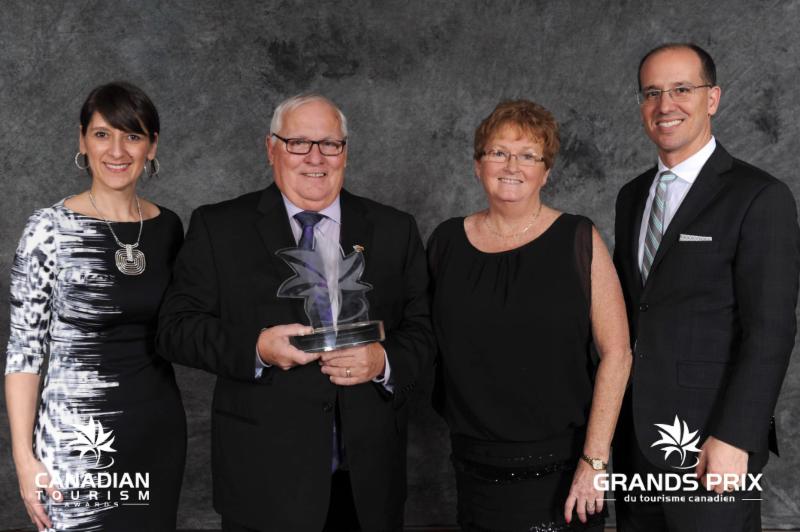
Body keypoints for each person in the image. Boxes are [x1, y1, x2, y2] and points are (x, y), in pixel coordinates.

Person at [156, 93, 433, 532]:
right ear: (272, 148)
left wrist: (383, 360)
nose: (315, 157)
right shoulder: (219, 226)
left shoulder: (395, 228)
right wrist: (257, 348)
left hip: (368, 482)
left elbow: (425, 331)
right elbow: (176, 329)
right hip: (264, 478)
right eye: (298, 142)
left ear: (345, 152)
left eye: (330, 144)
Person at [613, 42, 800, 531]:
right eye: (652, 92)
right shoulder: (631, 197)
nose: (665, 105)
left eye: (681, 89)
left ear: (712, 98)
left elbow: (772, 330)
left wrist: (736, 437)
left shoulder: (760, 196)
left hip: (712, 443)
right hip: (636, 441)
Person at [427, 99, 632, 532]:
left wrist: (595, 461)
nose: (511, 166)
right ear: (477, 165)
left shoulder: (578, 238)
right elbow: (422, 340)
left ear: (546, 172)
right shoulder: (445, 242)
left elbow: (617, 353)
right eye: (498, 152)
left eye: (528, 155)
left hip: (566, 470)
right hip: (475, 466)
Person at [5, 81, 186, 531]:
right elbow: (24, 351)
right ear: (82, 140)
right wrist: (24, 458)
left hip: (156, 433)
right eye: (102, 134)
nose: (117, 151)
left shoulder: (169, 228)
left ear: (152, 145)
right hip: (77, 442)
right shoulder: (49, 229)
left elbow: (185, 326)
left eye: (132, 135)